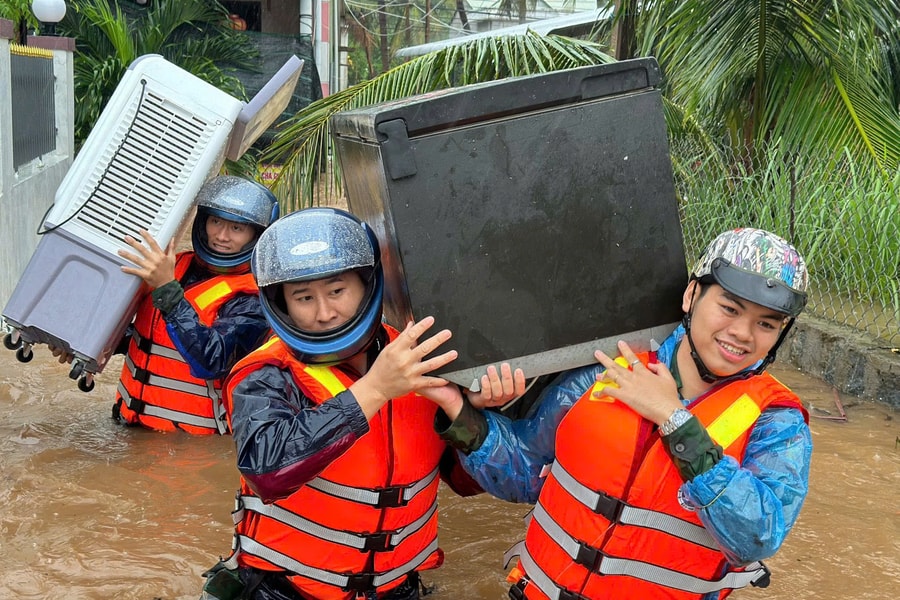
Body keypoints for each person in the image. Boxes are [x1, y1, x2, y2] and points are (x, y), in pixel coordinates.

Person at [425, 227, 813, 600]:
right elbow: (524, 474)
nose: (744, 334)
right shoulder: (603, 372)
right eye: (729, 308)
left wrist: (673, 418)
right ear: (692, 295)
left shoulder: (778, 422)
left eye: (766, 323)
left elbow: (756, 537)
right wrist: (460, 412)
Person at [202, 207, 511, 600]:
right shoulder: (266, 374)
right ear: (281, 304)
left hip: (396, 588)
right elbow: (268, 471)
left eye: (337, 291)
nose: (325, 312)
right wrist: (376, 389)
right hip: (285, 590)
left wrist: (474, 414)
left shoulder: (421, 358)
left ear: (367, 285)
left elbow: (469, 483)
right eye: (303, 298)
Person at [110, 175, 279, 435]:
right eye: (215, 221)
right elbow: (151, 339)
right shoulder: (173, 266)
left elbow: (211, 359)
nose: (221, 236)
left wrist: (168, 291)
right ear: (203, 222)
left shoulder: (253, 300)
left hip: (189, 446)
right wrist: (100, 346)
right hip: (130, 424)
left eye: (236, 228)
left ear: (256, 235)